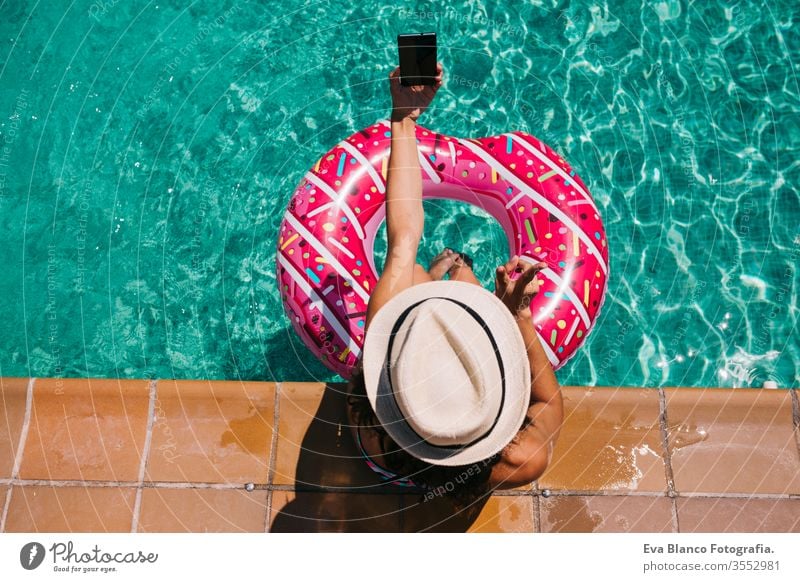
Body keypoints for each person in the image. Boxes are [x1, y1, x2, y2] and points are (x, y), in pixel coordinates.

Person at [345, 62, 563, 507]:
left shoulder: (368, 423)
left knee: (418, 271)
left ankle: (448, 270)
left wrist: (403, 117)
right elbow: (547, 406)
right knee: (458, 275)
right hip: (453, 467)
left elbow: (402, 233)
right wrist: (515, 314)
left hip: (390, 464)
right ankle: (459, 267)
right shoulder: (521, 461)